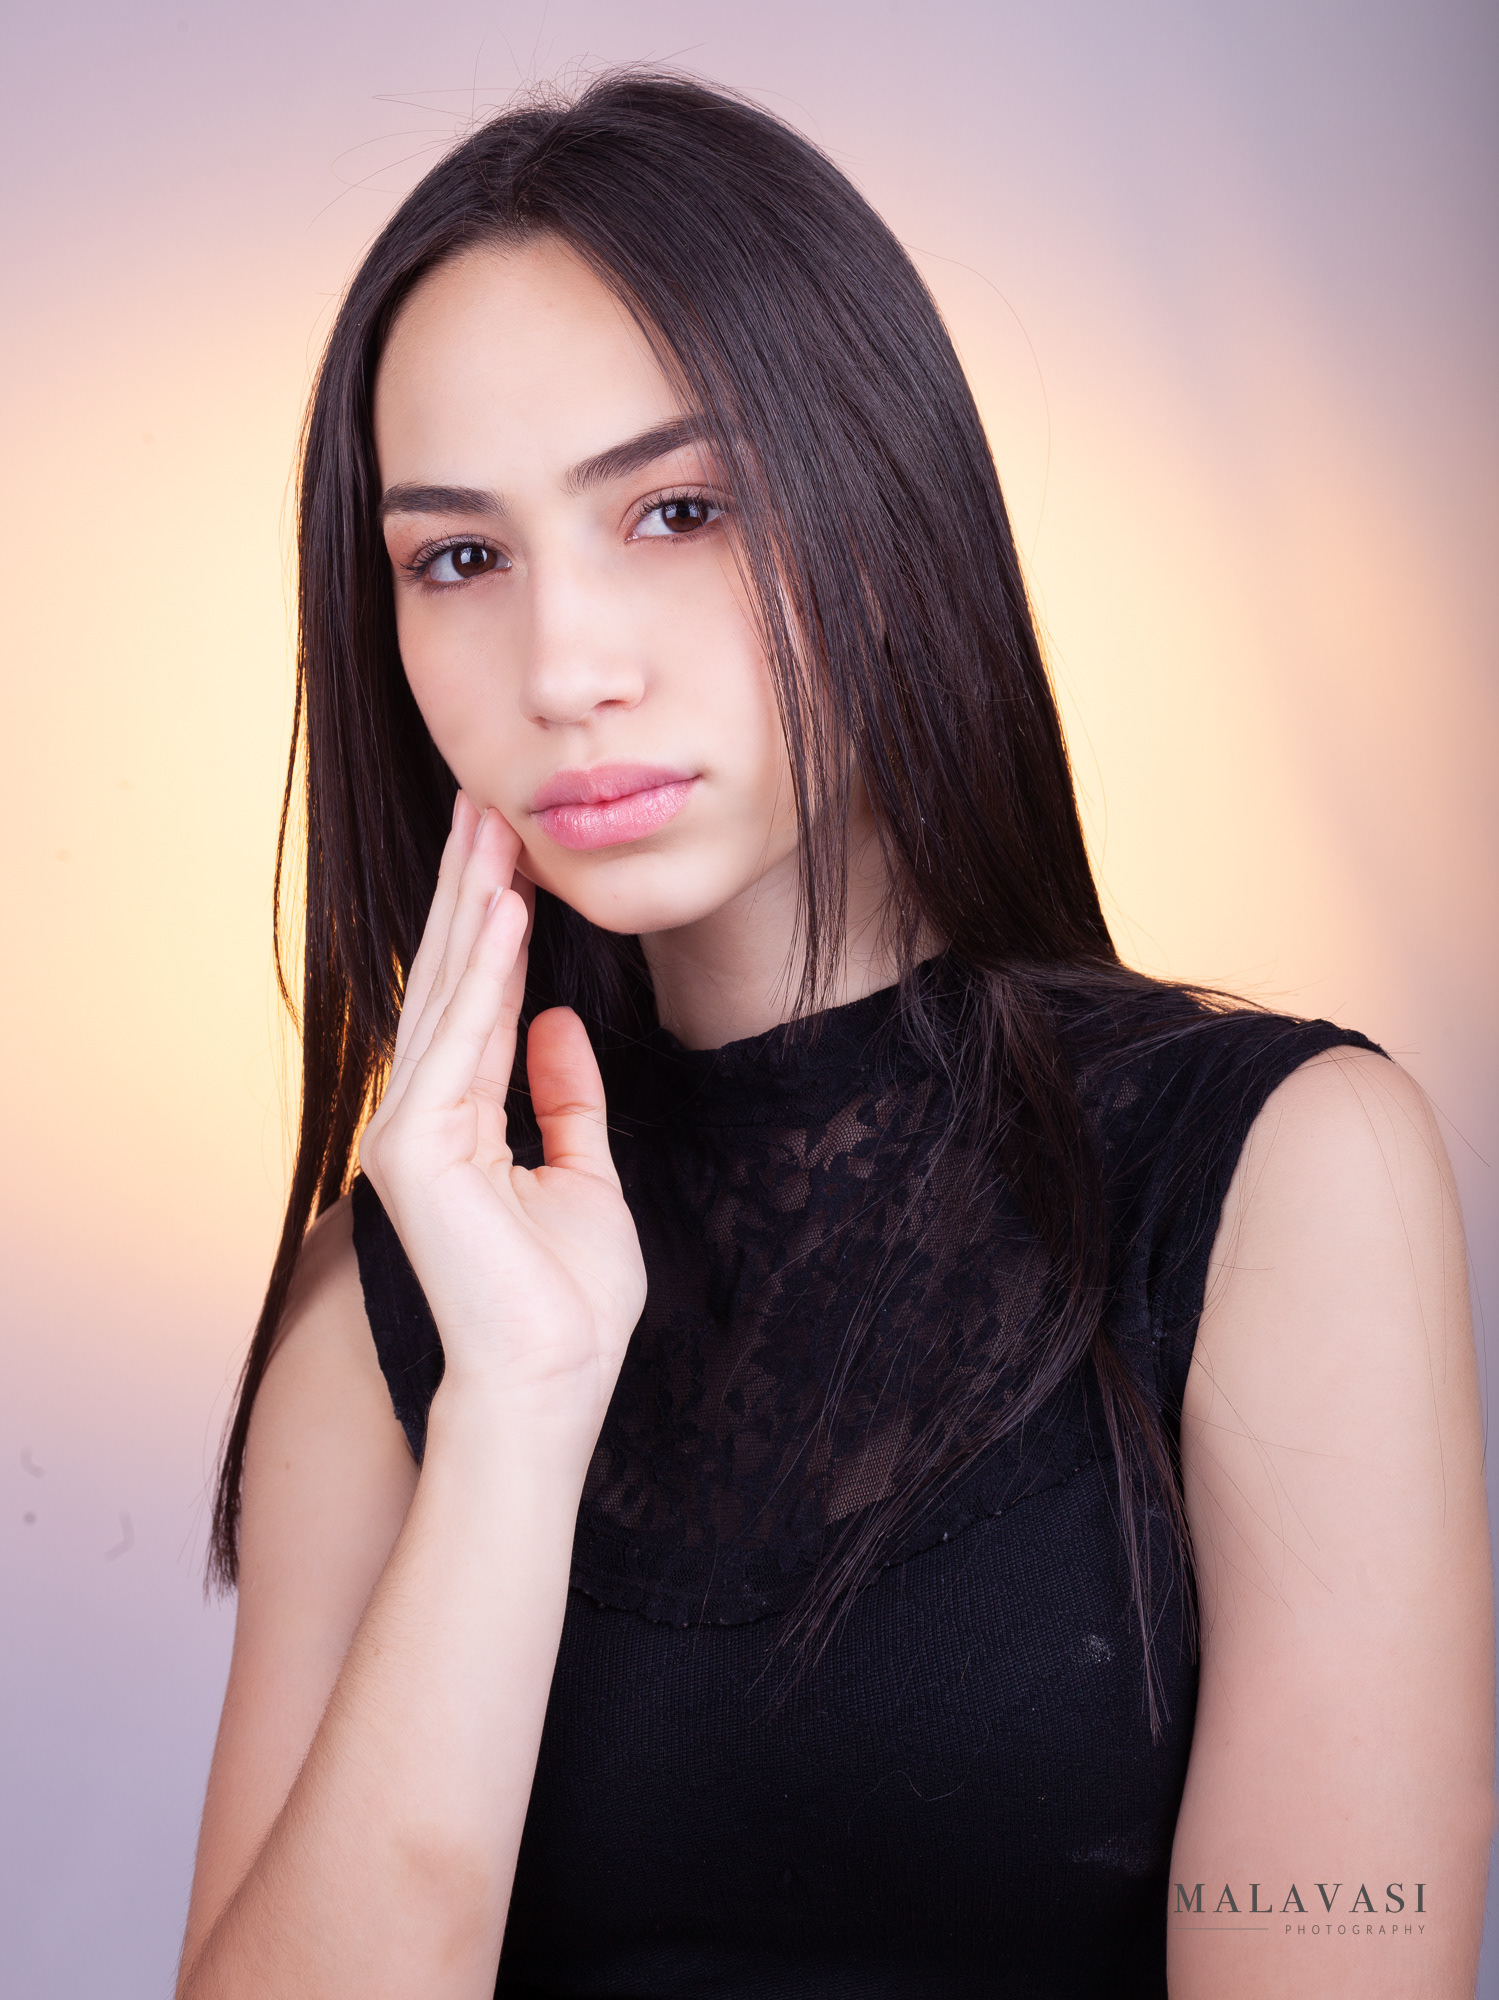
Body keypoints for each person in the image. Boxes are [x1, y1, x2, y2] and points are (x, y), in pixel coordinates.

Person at [176, 71, 1493, 2000]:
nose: (566, 667)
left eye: (680, 509)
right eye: (460, 557)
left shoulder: (1279, 1175)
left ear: (885, 508)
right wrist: (515, 1411)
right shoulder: (380, 1308)